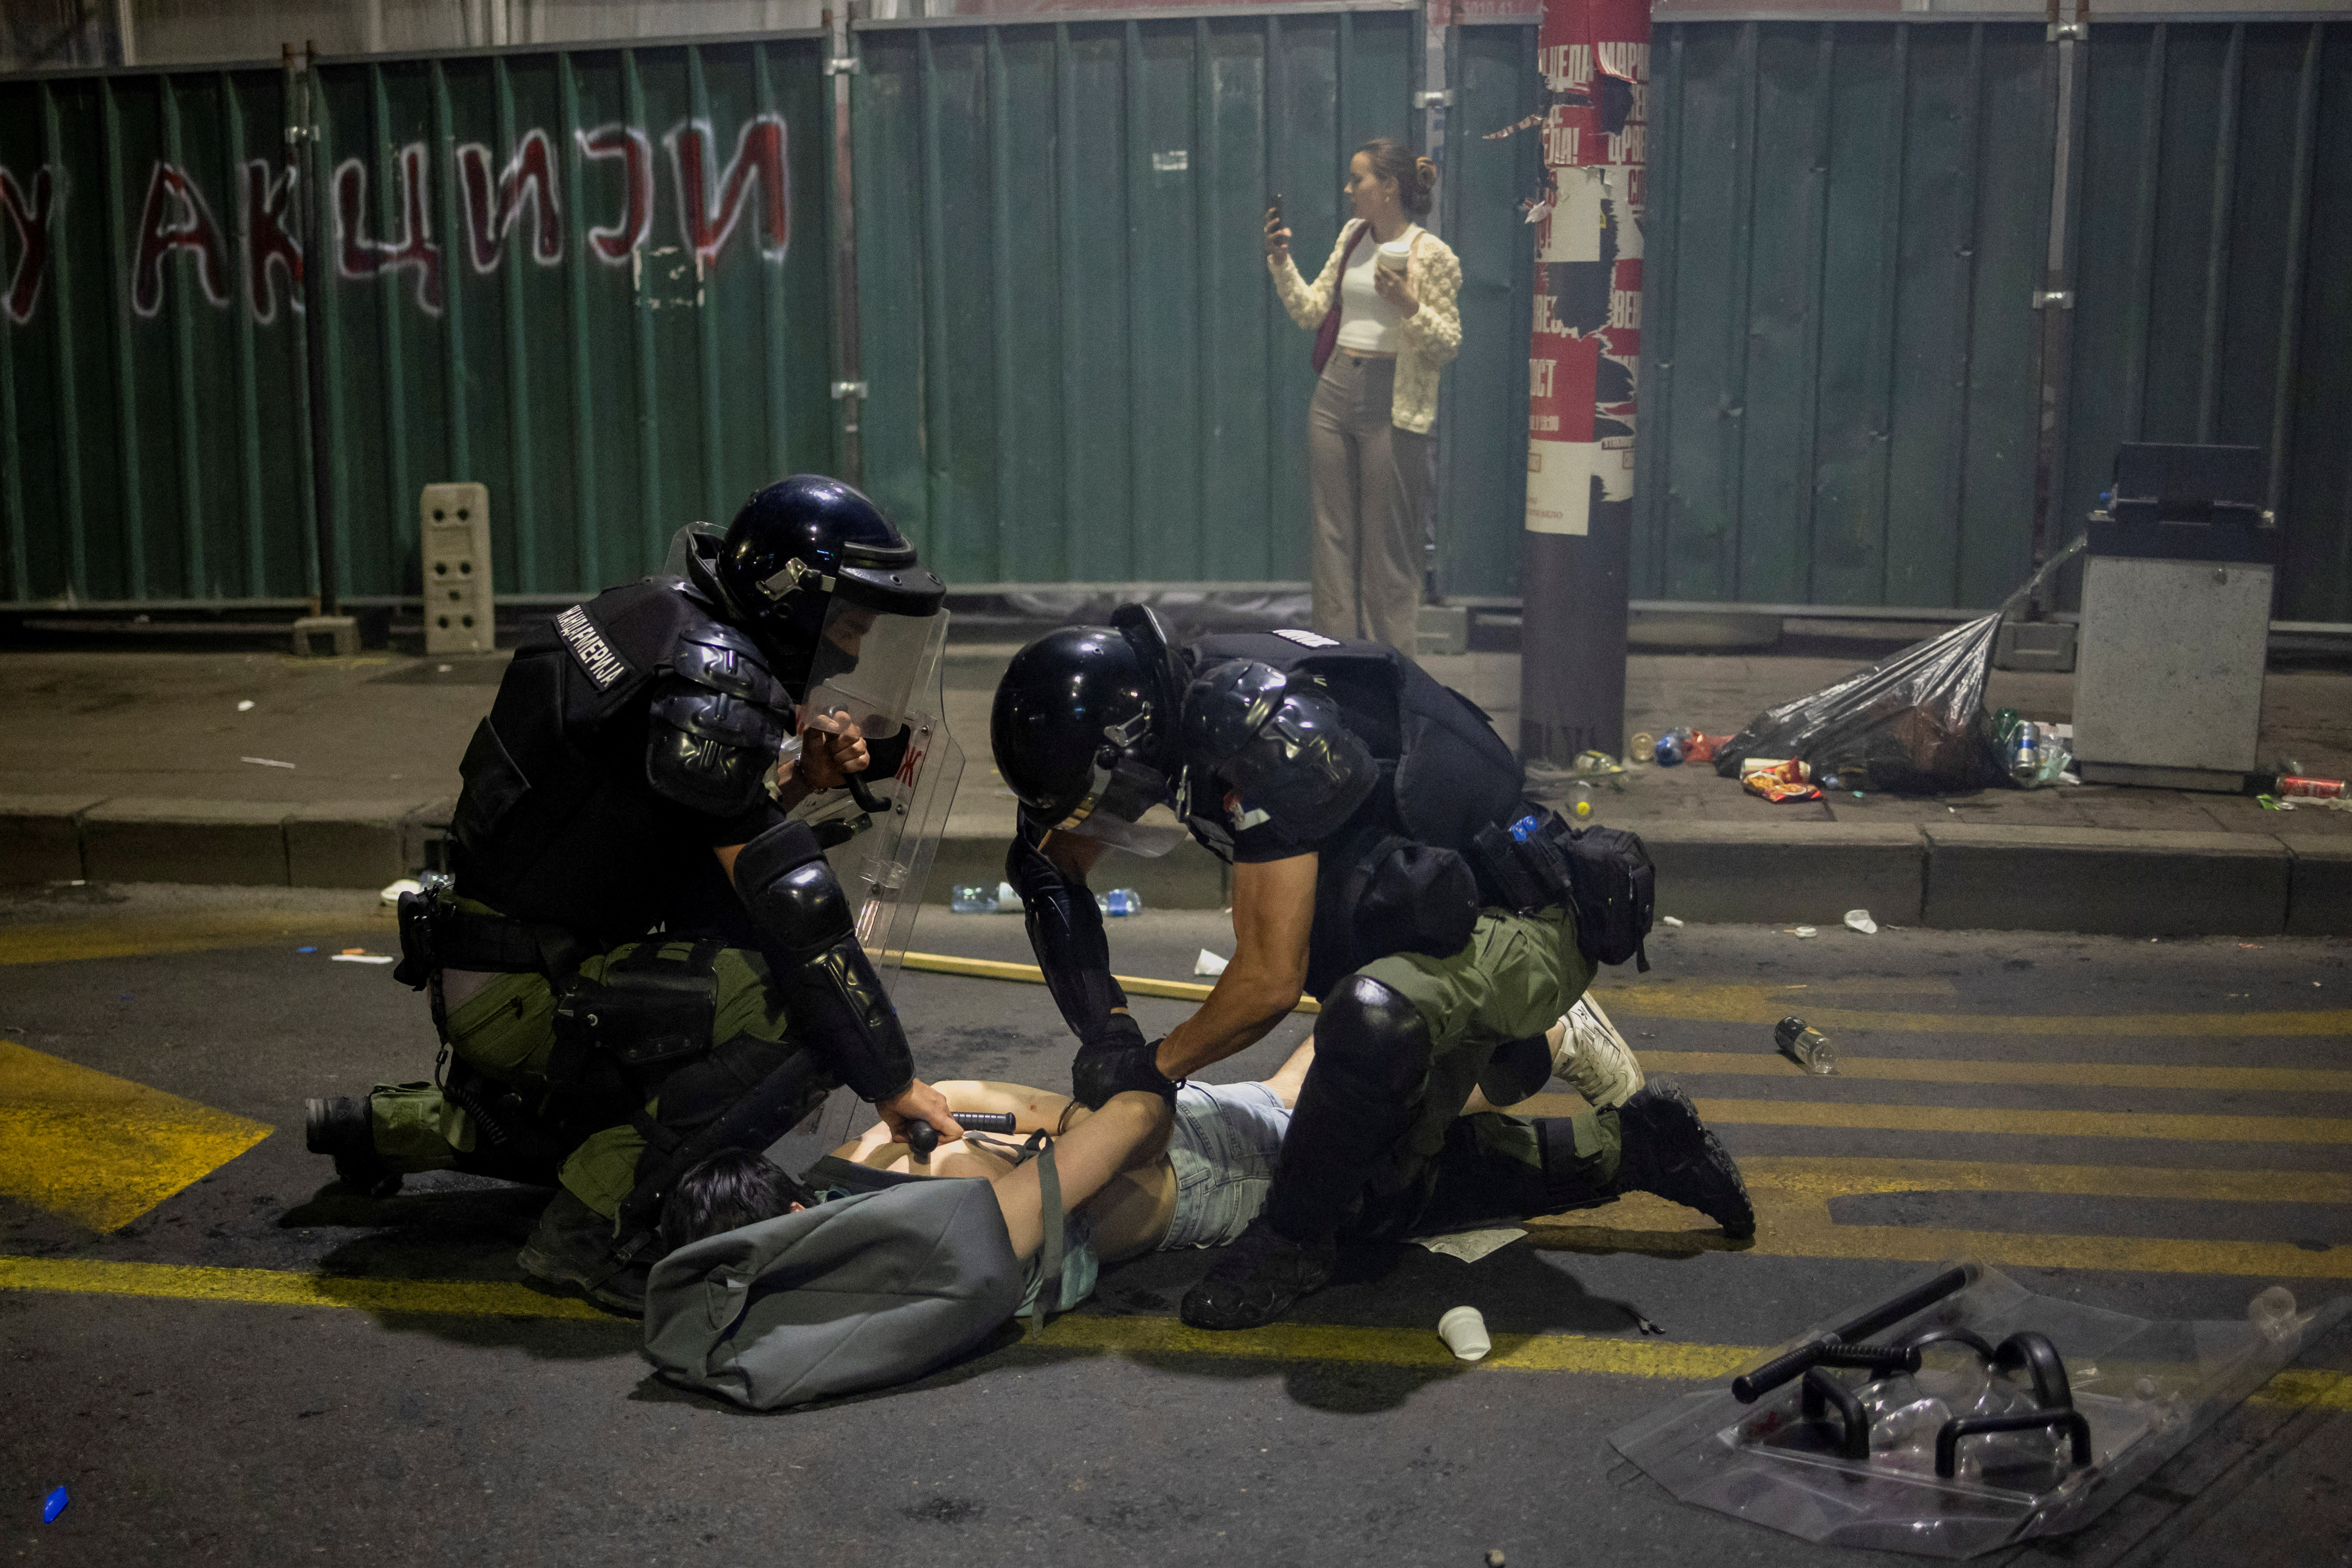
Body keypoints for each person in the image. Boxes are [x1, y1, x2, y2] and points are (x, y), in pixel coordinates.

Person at [302, 475, 968, 1314]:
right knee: (797, 1017)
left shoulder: (647, 615)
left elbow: (673, 841)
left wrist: (799, 780)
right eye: (843, 628)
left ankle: (402, 1127)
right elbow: (796, 916)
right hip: (526, 992)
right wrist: (890, 1078)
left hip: (494, 955)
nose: (844, 656)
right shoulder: (715, 677)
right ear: (790, 602)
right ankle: (588, 1234)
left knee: (713, 1005)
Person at [988, 607, 1752, 1333]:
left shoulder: (1255, 727)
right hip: (1425, 921)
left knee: (1366, 1045)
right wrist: (1107, 1032)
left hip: (1526, 923)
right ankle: (1643, 1140)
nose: (1117, 815)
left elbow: (1266, 983)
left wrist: (1152, 1068)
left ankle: (1293, 1243)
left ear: (1128, 743)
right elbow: (1053, 868)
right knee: (1370, 1164)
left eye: (1112, 793)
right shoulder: (1183, 699)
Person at [647, 1005, 1748, 1401]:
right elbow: (1102, 1119)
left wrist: (1131, 1075)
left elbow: (1126, 1130)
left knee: (1407, 1159)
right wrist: (1121, 1078)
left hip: (1201, 1180)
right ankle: (1538, 1025)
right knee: (1329, 1094)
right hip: (1189, 1149)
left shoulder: (932, 1197)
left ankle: (1568, 1056)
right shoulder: (871, 1154)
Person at [1266, 137, 1462, 654]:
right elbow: (1312, 310)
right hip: (1333, 390)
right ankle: (1336, 670)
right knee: (1331, 543)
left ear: (1390, 187)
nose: (1349, 189)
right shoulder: (1353, 236)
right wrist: (1281, 261)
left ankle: (1392, 675)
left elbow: (1447, 344)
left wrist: (1409, 305)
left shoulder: (1433, 255)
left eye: (1359, 180)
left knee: (1388, 552)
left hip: (1391, 399)